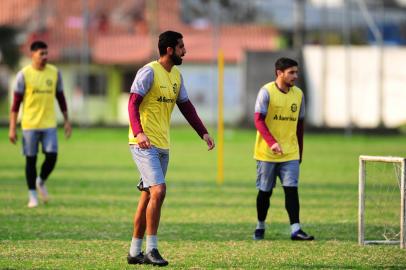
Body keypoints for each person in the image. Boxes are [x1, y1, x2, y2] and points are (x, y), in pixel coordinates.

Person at [127, 30, 215, 266]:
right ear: (169, 50)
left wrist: (203, 132)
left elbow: (187, 107)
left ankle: (134, 251)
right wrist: (139, 132)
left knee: (147, 197)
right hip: (143, 143)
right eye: (181, 47)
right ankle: (151, 249)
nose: (184, 51)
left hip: (163, 144)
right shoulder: (148, 72)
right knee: (159, 191)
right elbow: (133, 103)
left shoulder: (176, 75)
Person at [252, 57, 314, 241]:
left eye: (296, 72)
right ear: (280, 73)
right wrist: (272, 142)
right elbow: (258, 120)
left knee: (291, 190)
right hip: (266, 153)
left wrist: (299, 152)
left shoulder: (299, 95)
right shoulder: (266, 92)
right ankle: (260, 225)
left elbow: (300, 126)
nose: (296, 76)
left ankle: (296, 229)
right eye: (291, 72)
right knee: (265, 192)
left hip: (290, 153)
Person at [8, 40, 71, 208]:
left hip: (49, 124)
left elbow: (61, 98)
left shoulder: (54, 73)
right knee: (31, 160)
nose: (45, 56)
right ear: (32, 55)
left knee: (52, 157)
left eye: (46, 53)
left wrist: (66, 121)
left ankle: (40, 181)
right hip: (29, 125)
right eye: (41, 54)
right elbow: (15, 105)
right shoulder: (24, 75)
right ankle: (32, 196)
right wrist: (12, 128)